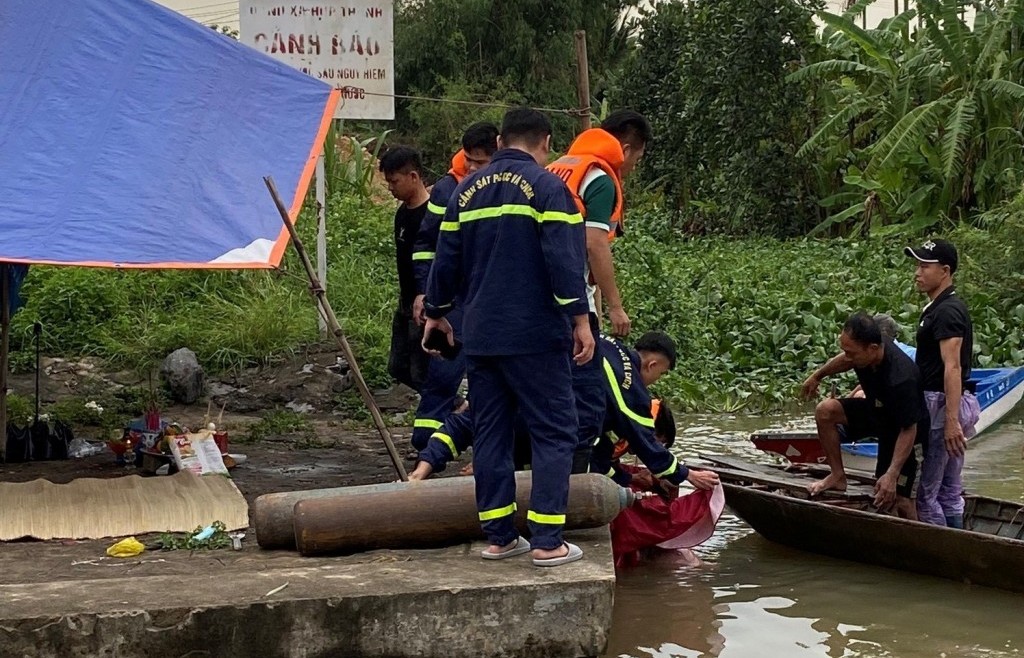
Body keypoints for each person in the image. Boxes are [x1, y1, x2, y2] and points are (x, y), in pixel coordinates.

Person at [423, 107, 594, 567]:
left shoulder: (464, 192)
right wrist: (580, 319)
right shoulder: (549, 188)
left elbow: (446, 258)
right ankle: (547, 541)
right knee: (554, 431)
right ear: (546, 142)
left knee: (491, 434)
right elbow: (564, 260)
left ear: (499, 141)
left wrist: (436, 313)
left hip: (481, 336)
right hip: (535, 335)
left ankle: (499, 538)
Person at [409, 332, 719, 496]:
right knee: (556, 488)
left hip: (527, 400)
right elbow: (643, 439)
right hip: (552, 429)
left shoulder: (606, 344)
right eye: (661, 374)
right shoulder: (629, 381)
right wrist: (686, 474)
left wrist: (627, 477)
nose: (654, 382)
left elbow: (602, 458)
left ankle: (421, 476)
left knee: (483, 434)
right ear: (652, 365)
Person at [547, 110, 653, 473]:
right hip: (569, 304)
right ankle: (573, 492)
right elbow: (594, 243)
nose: (634, 167)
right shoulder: (600, 179)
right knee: (585, 401)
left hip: (535, 298)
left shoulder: (559, 168)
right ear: (624, 148)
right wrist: (616, 306)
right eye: (637, 158)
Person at [405, 123, 499, 451]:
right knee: (443, 372)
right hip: (455, 298)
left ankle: (475, 438)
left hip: (491, 299)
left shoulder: (507, 188)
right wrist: (425, 292)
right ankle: (425, 441)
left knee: (490, 374)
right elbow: (427, 244)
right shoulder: (447, 189)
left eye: (479, 162)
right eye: (468, 160)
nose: (472, 167)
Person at [800, 313, 929, 519]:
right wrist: (818, 375)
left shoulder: (901, 377)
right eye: (845, 351)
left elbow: (909, 429)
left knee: (901, 499)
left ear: (873, 349)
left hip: (906, 433)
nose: (847, 358)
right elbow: (844, 361)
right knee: (826, 411)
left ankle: (918, 545)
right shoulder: (863, 352)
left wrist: (892, 473)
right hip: (878, 413)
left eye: (851, 353)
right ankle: (837, 475)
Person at [905, 239, 980, 528]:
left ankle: (944, 550)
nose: (917, 272)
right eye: (917, 265)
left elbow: (953, 367)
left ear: (945, 270)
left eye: (925, 266)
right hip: (949, 402)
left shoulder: (947, 311)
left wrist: (951, 421)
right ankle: (959, 539)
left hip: (941, 403)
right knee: (949, 488)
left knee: (927, 494)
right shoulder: (940, 306)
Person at [380, 146, 431, 393]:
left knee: (422, 371)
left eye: (394, 181)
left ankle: (455, 411)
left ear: (414, 177)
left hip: (426, 304)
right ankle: (455, 407)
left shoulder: (433, 215)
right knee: (398, 366)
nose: (390, 188)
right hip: (406, 302)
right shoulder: (401, 214)